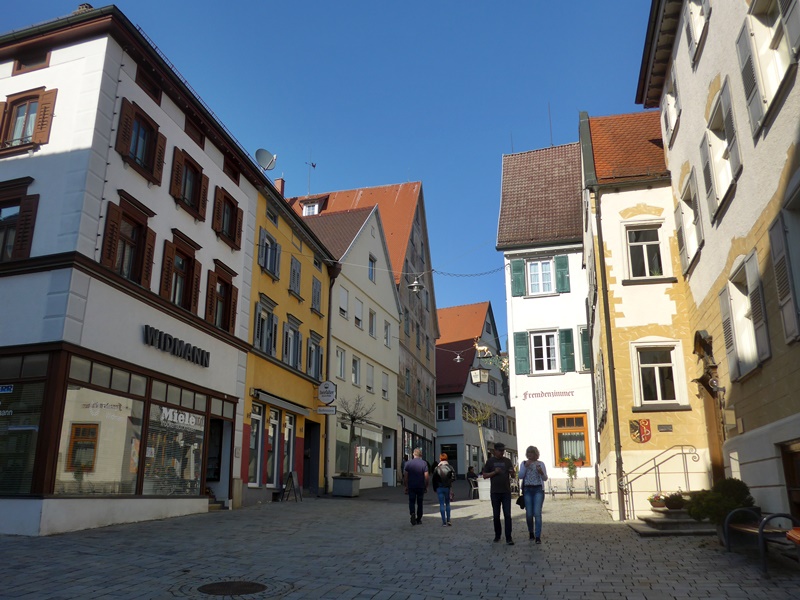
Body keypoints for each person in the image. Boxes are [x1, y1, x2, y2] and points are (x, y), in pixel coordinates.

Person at [482, 442, 515, 544]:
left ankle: (509, 537)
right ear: (494, 451)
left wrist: (512, 473)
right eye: (500, 450)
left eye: (503, 450)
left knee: (507, 515)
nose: (502, 452)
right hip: (495, 492)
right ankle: (497, 535)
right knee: (496, 515)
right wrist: (494, 472)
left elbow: (513, 476)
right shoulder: (490, 461)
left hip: (506, 492)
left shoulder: (508, 461)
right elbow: (484, 475)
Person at [518, 445, 548, 543]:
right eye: (529, 453)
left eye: (532, 453)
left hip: (538, 489)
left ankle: (538, 536)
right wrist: (526, 467)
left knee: (537, 513)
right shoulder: (524, 463)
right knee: (529, 513)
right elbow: (520, 476)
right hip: (527, 490)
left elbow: (545, 478)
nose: (530, 455)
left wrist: (541, 472)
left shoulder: (540, 464)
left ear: (536, 454)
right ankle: (531, 532)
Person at [403, 448, 428, 525]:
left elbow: (406, 476)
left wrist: (406, 486)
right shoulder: (424, 463)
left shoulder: (408, 463)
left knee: (411, 501)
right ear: (420, 455)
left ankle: (412, 513)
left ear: (413, 454)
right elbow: (426, 476)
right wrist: (426, 486)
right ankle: (419, 519)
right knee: (420, 502)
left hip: (411, 486)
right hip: (420, 486)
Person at [432, 453, 456, 526]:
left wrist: (434, 488)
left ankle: (443, 522)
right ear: (447, 458)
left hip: (439, 487)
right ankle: (448, 520)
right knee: (448, 504)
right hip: (447, 487)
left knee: (441, 504)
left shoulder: (437, 468)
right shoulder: (450, 467)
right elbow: (454, 477)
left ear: (440, 459)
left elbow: (434, 479)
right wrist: (449, 482)